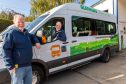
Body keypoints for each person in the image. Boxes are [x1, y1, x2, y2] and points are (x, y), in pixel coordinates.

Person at [2, 14, 41, 84]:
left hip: (28, 65)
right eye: (19, 21)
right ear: (14, 22)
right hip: (17, 68)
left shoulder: (26, 33)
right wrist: (10, 66)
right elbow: (5, 50)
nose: (21, 23)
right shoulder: (11, 34)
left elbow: (33, 36)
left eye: (22, 21)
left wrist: (37, 42)